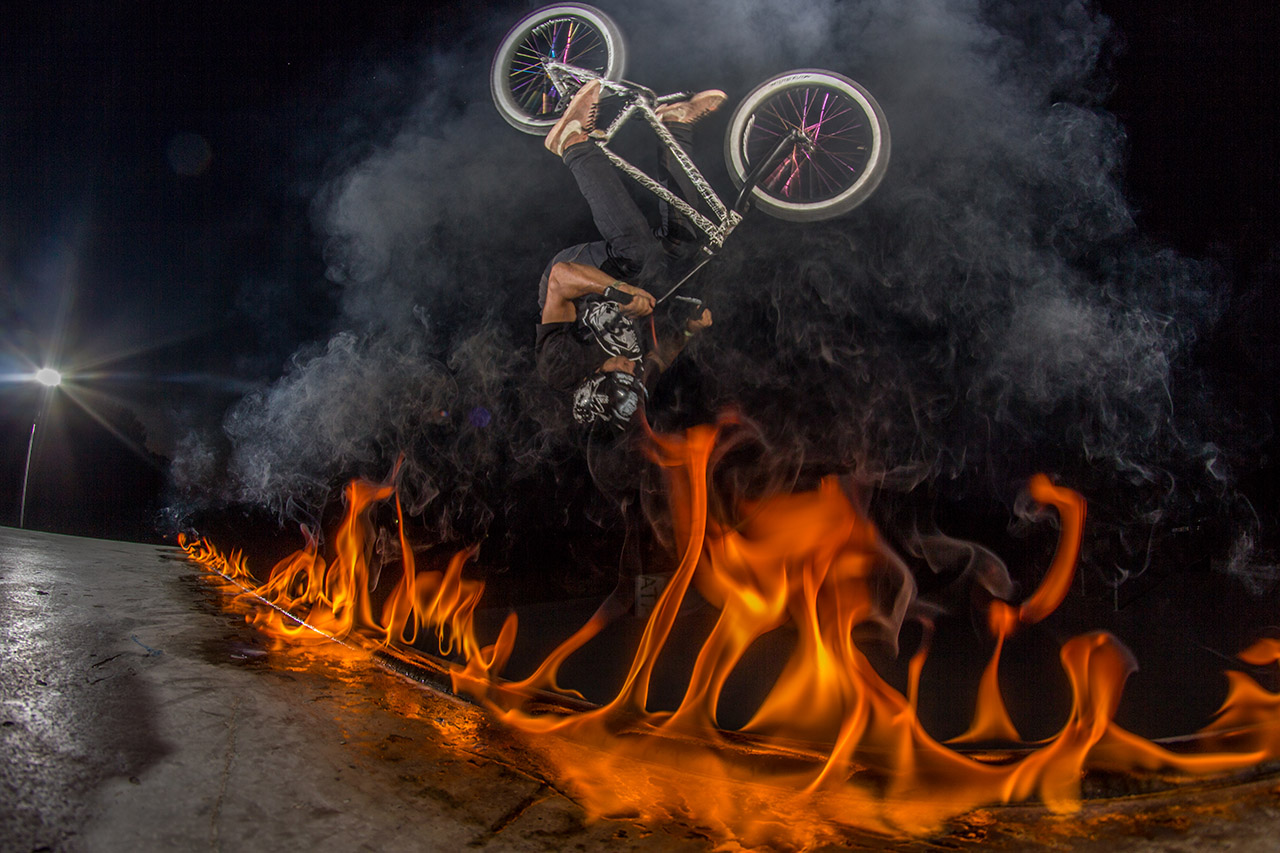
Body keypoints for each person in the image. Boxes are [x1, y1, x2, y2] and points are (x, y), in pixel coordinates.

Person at [535, 78, 719, 431]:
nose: (631, 367)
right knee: (682, 247)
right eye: (633, 376)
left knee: (637, 251)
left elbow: (561, 278)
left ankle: (571, 143)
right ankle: (675, 126)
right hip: (630, 282)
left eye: (622, 370)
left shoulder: (563, 367)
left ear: (592, 383)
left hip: (579, 279)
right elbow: (659, 357)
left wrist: (621, 293)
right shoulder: (636, 381)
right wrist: (690, 332)